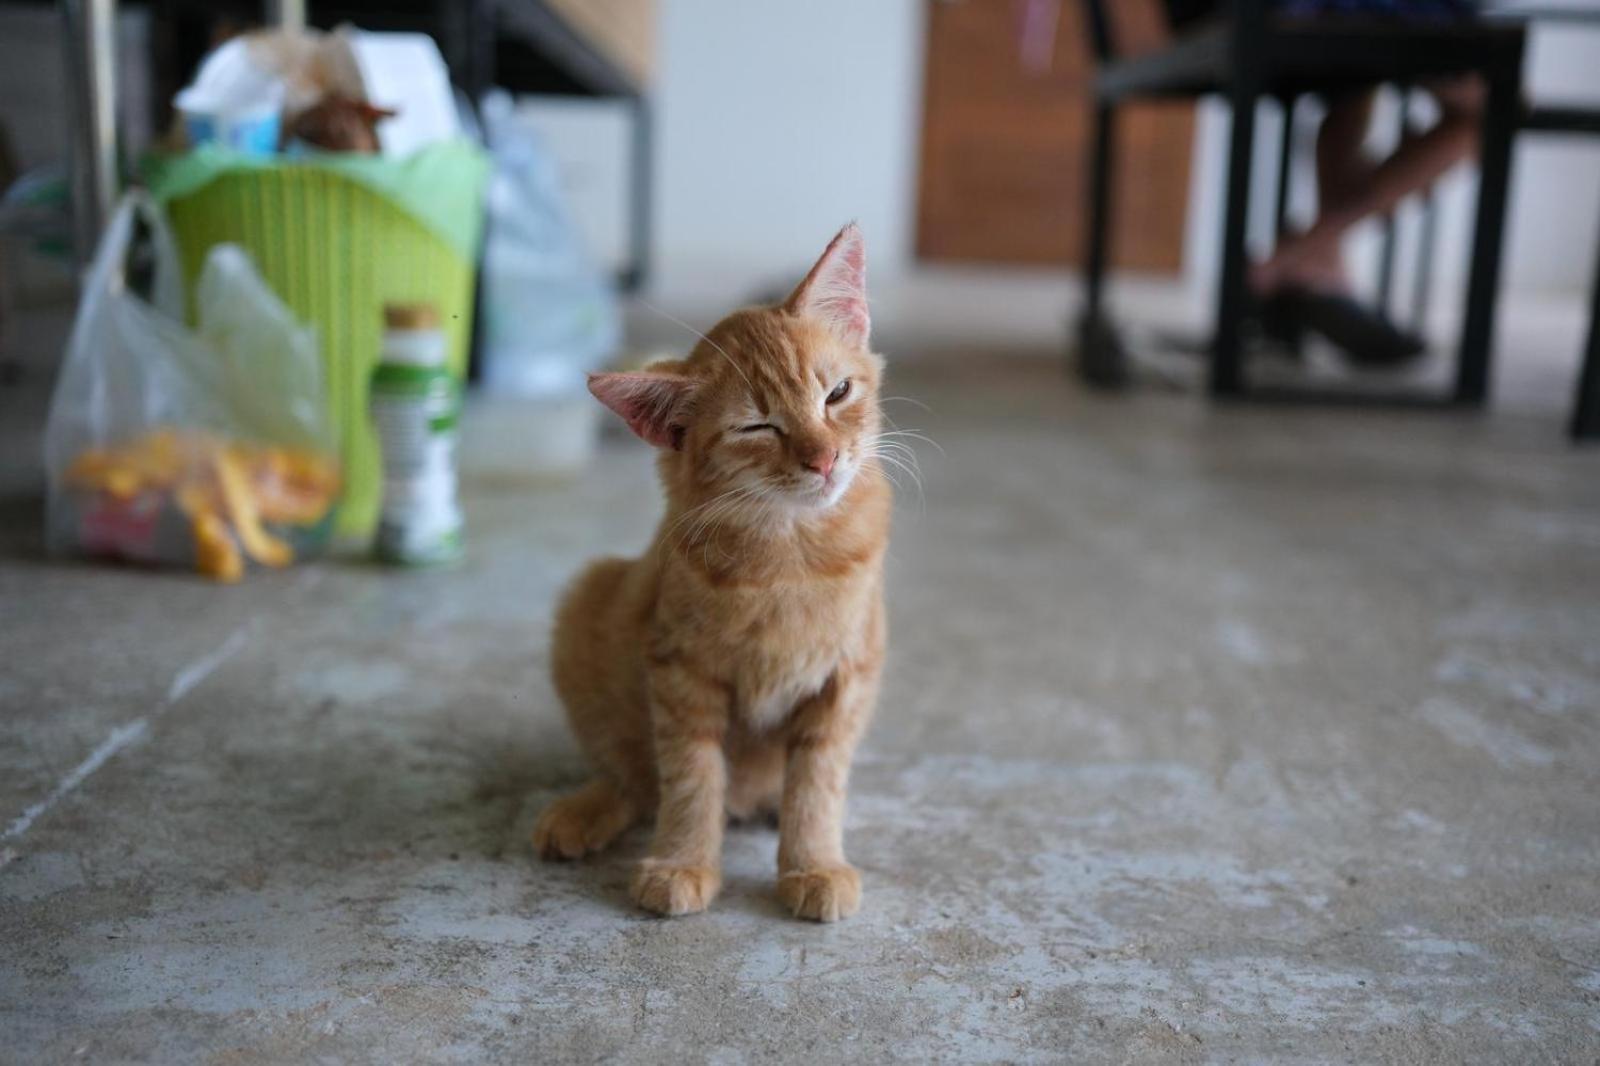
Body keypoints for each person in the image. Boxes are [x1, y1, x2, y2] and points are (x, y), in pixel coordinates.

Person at [1164, 0, 1486, 363]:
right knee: (1490, 108)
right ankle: (1299, 258)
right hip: (1298, 14)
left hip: (1208, 14)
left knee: (1355, 88)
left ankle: (1321, 266)